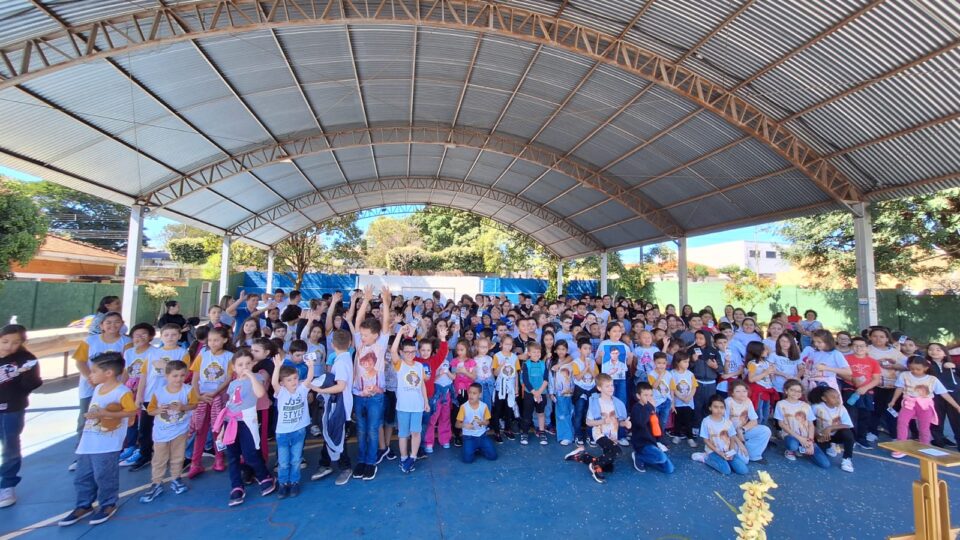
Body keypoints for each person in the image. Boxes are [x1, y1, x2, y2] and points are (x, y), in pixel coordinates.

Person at [58, 352, 137, 527]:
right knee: (82, 476)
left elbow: (132, 412)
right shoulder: (98, 389)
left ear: (108, 373)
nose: (90, 374)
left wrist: (105, 413)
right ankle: (83, 505)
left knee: (104, 475)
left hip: (107, 442)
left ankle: (108, 503)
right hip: (90, 440)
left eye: (94, 371)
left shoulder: (122, 391)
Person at [214, 348, 276, 506]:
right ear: (234, 367)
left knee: (250, 454)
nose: (244, 367)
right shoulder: (233, 384)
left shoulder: (256, 378)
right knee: (233, 456)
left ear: (253, 364)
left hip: (247, 421)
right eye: (240, 365)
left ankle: (264, 477)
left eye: (248, 363)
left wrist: (250, 376)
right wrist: (222, 429)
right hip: (231, 422)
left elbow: (260, 393)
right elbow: (230, 405)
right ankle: (236, 486)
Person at [71, 312, 130, 471]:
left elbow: (128, 366)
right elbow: (80, 361)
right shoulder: (90, 341)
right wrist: (90, 378)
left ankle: (112, 452)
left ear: (122, 324)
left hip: (114, 389)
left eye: (117, 322)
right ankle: (81, 456)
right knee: (86, 419)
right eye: (108, 322)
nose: (112, 326)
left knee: (112, 418)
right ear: (102, 325)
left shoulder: (127, 342)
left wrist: (117, 386)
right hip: (90, 386)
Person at [139, 360, 196, 503]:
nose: (179, 379)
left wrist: (183, 407)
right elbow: (150, 411)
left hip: (180, 430)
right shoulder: (158, 393)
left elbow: (194, 405)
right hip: (161, 432)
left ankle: (176, 479)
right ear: (167, 376)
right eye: (175, 376)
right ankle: (156, 482)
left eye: (182, 375)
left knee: (178, 457)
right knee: (159, 458)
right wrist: (159, 410)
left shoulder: (188, 390)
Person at [350, 286, 391, 480]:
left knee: (373, 430)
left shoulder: (380, 344)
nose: (362, 336)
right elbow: (357, 321)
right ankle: (361, 460)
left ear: (375, 335)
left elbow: (385, 324)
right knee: (361, 429)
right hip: (359, 394)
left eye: (366, 334)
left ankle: (371, 462)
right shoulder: (360, 343)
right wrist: (365, 301)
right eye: (362, 334)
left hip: (376, 395)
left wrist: (385, 301)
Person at [0, 325, 42, 508]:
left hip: (12, 409)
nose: (9, 346)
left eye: (16, 342)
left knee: (10, 445)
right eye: (5, 341)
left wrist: (25, 375)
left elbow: (32, 384)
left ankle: (7, 485)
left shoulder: (26, 359)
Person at [563, 374, 631, 483]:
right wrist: (603, 421)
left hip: (612, 435)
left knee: (609, 467)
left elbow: (618, 421)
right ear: (599, 388)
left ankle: (581, 456)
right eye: (607, 386)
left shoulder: (617, 403)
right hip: (599, 433)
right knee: (617, 451)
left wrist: (625, 424)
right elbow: (588, 422)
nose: (611, 388)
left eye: (612, 385)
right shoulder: (595, 402)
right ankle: (595, 466)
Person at [889, 356, 960, 457]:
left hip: (925, 405)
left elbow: (944, 393)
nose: (914, 371)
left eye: (918, 369)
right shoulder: (905, 375)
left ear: (925, 368)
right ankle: (901, 446)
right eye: (912, 368)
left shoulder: (932, 379)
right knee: (902, 421)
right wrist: (893, 400)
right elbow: (899, 388)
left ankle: (925, 446)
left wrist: (957, 406)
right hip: (909, 403)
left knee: (924, 427)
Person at [186, 326, 232, 479]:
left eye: (216, 340)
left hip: (219, 398)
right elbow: (195, 377)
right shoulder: (202, 355)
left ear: (224, 340)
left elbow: (228, 378)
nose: (213, 343)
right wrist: (198, 395)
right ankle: (195, 462)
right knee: (200, 430)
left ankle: (219, 459)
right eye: (210, 340)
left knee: (217, 429)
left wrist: (216, 392)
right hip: (202, 398)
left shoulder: (229, 356)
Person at [310, 329, 354, 486]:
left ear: (332, 344)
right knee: (330, 435)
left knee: (337, 437)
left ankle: (345, 467)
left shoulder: (341, 362)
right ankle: (325, 463)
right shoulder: (345, 357)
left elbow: (340, 386)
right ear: (349, 343)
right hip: (338, 404)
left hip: (339, 406)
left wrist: (320, 390)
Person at [271, 350, 314, 499]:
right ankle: (283, 483)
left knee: (296, 459)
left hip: (299, 431)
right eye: (289, 380)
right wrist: (277, 367)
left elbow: (308, 379)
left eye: (295, 378)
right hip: (283, 433)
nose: (294, 382)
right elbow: (274, 383)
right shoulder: (281, 392)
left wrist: (311, 366)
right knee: (283, 461)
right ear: (283, 383)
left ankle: (294, 481)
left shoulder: (302, 390)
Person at [390, 334, 429, 473]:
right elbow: (393, 351)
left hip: (417, 406)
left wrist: (426, 402)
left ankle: (412, 457)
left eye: (413, 351)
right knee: (403, 434)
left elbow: (422, 385)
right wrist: (400, 332)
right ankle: (403, 457)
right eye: (407, 352)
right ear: (402, 352)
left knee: (416, 433)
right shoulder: (399, 364)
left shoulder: (419, 366)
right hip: (403, 407)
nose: (410, 354)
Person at [119, 323, 154, 469]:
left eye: (143, 334)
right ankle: (130, 446)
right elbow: (126, 371)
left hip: (146, 389)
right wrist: (121, 388)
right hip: (130, 388)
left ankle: (143, 449)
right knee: (130, 418)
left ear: (151, 336)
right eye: (136, 335)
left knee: (144, 422)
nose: (139, 337)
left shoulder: (155, 353)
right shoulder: (129, 352)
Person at [775, 379, 828, 467]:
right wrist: (800, 439)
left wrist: (810, 442)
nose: (796, 393)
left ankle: (801, 449)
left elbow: (811, 425)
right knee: (792, 445)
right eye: (792, 390)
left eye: (799, 391)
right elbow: (781, 424)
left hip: (806, 437)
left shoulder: (806, 406)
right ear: (786, 391)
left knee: (825, 464)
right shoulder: (781, 404)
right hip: (791, 435)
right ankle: (792, 450)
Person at [840, 336, 881, 448]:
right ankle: (850, 439)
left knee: (865, 415)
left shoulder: (873, 362)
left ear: (867, 348)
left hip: (867, 392)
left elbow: (876, 379)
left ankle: (861, 438)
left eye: (862, 346)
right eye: (856, 345)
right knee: (851, 415)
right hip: (850, 390)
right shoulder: (846, 358)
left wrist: (865, 388)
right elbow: (841, 373)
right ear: (852, 347)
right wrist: (852, 381)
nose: (859, 348)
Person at [697, 395, 749, 476]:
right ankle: (705, 457)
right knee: (726, 471)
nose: (719, 410)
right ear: (710, 408)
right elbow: (706, 440)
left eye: (722, 407)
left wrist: (731, 452)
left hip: (727, 451)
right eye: (716, 407)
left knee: (743, 470)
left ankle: (726, 461)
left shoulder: (727, 422)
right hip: (713, 451)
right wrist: (720, 453)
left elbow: (732, 438)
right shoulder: (706, 421)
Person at [629, 382, 674, 474]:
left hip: (652, 442)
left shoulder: (651, 408)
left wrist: (662, 440)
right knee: (661, 458)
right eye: (645, 395)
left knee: (669, 469)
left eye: (651, 395)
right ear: (638, 396)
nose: (649, 398)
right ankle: (639, 456)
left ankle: (647, 459)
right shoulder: (636, 408)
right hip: (642, 444)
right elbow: (642, 422)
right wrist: (651, 407)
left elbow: (656, 425)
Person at [809, 386, 856, 473]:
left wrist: (830, 428)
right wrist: (816, 434)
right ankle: (829, 445)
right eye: (833, 397)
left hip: (835, 435)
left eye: (838, 396)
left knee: (848, 434)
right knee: (819, 457)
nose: (837, 399)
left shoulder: (841, 408)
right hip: (821, 437)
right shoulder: (816, 407)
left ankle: (847, 459)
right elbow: (809, 422)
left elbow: (848, 424)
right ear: (824, 399)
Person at [724, 381, 771, 463]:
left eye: (744, 391)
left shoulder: (748, 401)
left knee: (765, 430)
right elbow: (724, 425)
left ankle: (754, 455)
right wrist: (739, 441)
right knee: (744, 460)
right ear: (732, 393)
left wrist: (742, 430)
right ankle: (741, 448)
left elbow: (754, 421)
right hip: (729, 434)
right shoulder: (728, 402)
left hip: (741, 431)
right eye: (738, 391)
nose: (742, 394)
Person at [928, 343, 960, 447]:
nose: (934, 352)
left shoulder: (952, 364)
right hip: (935, 396)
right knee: (936, 419)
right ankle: (938, 441)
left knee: (957, 420)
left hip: (954, 395)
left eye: (938, 350)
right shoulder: (926, 364)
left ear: (945, 353)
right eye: (931, 349)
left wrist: (954, 366)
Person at [456, 383, 497, 463]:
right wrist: (465, 425)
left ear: (480, 395)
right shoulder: (464, 407)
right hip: (469, 437)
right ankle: (472, 448)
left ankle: (479, 448)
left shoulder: (484, 406)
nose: (471, 395)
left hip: (482, 436)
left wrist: (482, 422)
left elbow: (487, 422)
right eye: (470, 392)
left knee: (493, 456)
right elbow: (457, 424)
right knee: (467, 460)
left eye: (474, 393)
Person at [520, 343, 549, 445]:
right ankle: (524, 433)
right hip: (529, 393)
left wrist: (539, 392)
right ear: (529, 353)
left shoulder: (543, 364)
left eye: (538, 352)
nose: (537, 354)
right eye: (534, 352)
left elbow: (546, 379)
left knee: (541, 413)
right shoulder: (526, 364)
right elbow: (525, 380)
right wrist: (534, 392)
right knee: (527, 414)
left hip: (541, 393)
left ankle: (542, 432)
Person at [450, 341, 477, 448]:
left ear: (467, 350)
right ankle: (457, 434)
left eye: (462, 350)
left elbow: (474, 377)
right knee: (457, 412)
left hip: (469, 391)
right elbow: (452, 377)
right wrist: (453, 372)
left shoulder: (471, 362)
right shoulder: (454, 361)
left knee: (469, 412)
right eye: (458, 350)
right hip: (457, 391)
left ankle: (468, 433)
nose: (460, 352)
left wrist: (465, 372)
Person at [571, 340, 597, 446]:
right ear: (579, 350)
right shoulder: (576, 362)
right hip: (580, 390)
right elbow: (577, 377)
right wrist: (585, 368)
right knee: (579, 413)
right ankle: (578, 435)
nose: (587, 351)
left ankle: (590, 436)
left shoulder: (593, 362)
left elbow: (596, 376)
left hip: (591, 389)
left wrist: (589, 368)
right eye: (585, 348)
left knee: (590, 414)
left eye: (589, 349)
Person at [745, 342, 777, 426]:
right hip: (758, 390)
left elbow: (770, 377)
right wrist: (765, 372)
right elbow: (751, 379)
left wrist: (771, 373)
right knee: (759, 414)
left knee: (766, 413)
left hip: (767, 389)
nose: (767, 351)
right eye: (764, 349)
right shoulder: (752, 364)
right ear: (758, 351)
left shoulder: (766, 362)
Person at [550, 341, 575, 445]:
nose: (561, 351)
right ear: (555, 350)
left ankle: (571, 434)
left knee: (570, 413)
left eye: (563, 349)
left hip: (571, 392)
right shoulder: (551, 361)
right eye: (559, 349)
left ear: (567, 350)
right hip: (559, 393)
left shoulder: (571, 361)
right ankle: (565, 436)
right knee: (561, 414)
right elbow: (550, 378)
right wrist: (551, 392)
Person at [670, 352, 697, 447]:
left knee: (688, 420)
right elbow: (672, 388)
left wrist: (689, 397)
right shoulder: (672, 373)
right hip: (678, 402)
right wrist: (681, 397)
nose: (687, 364)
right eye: (685, 362)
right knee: (678, 420)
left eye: (688, 362)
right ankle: (677, 435)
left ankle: (690, 437)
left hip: (689, 402)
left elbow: (694, 387)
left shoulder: (690, 374)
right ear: (677, 362)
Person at [646, 353, 672, 451]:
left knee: (663, 421)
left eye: (664, 363)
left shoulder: (669, 374)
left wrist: (672, 401)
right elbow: (654, 386)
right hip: (655, 401)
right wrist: (660, 375)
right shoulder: (651, 374)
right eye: (659, 363)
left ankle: (660, 437)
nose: (661, 365)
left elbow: (672, 388)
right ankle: (654, 437)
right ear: (654, 363)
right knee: (654, 421)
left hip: (666, 400)